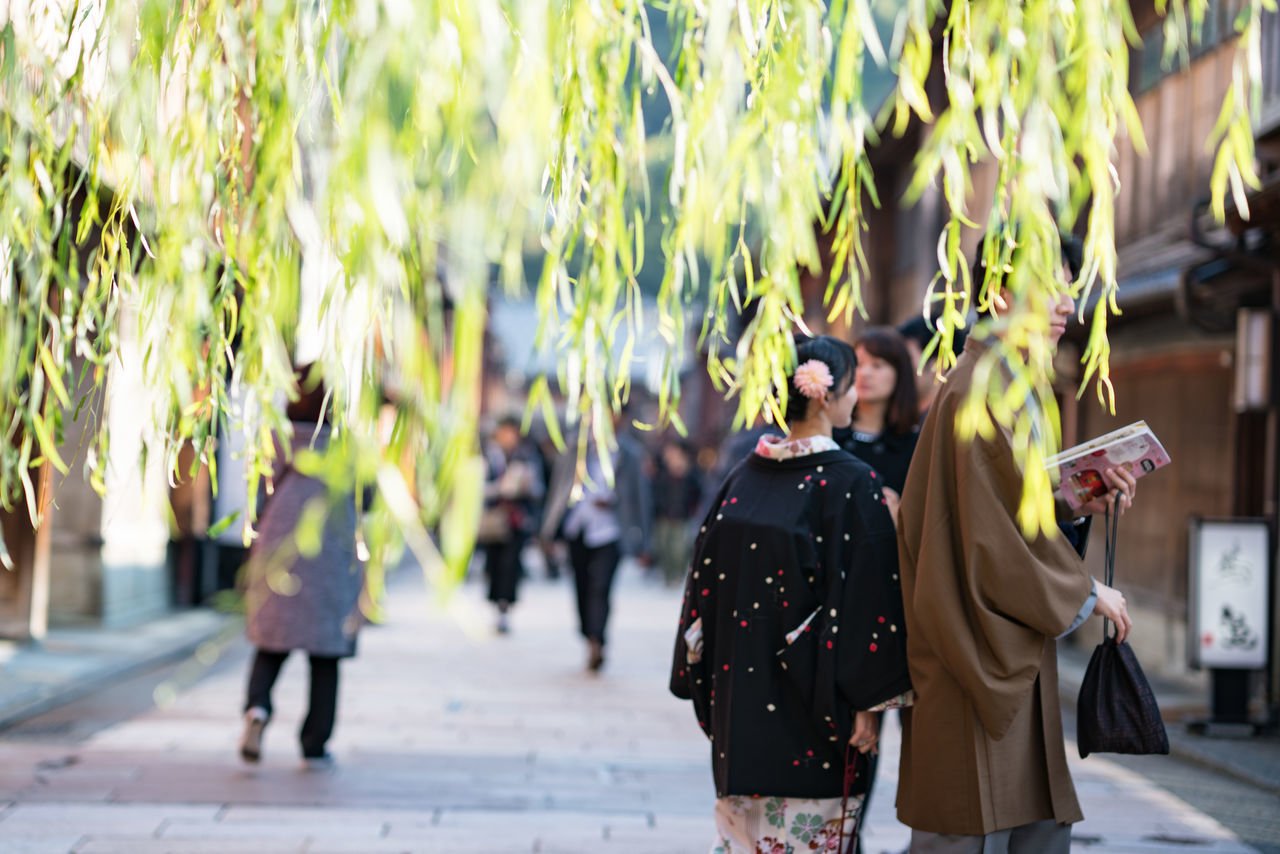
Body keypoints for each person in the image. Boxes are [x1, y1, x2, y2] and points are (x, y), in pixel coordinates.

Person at [895, 233, 1137, 853]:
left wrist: (1077, 497)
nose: (1065, 306)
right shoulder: (983, 387)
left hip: (996, 637)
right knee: (965, 827)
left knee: (1017, 818)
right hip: (972, 640)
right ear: (1001, 292)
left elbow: (1009, 509)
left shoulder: (1006, 380)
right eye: (1050, 287)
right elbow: (988, 531)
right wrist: (1084, 590)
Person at [669, 335, 913, 854]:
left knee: (745, 841)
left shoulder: (741, 479)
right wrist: (869, 704)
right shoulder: (853, 483)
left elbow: (701, 591)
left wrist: (704, 684)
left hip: (741, 710)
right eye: (849, 386)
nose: (854, 398)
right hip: (818, 713)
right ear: (826, 395)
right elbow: (870, 602)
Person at [238, 367, 366, 769]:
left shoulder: (276, 436)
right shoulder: (349, 445)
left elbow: (259, 492)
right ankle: (314, 742)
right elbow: (370, 498)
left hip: (282, 549)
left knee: (271, 643)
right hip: (331, 552)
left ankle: (257, 708)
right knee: (325, 656)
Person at [541, 409, 653, 672]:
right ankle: (587, 633)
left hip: (611, 531)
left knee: (601, 587)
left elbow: (641, 499)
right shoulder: (575, 447)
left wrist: (645, 542)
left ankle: (597, 641)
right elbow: (557, 489)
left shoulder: (630, 454)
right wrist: (547, 531)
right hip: (577, 527)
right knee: (581, 585)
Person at [479, 415, 545, 633]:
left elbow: (538, 488)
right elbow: (477, 487)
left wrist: (525, 484)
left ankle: (504, 608)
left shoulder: (527, 456)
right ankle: (495, 605)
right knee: (494, 564)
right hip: (493, 519)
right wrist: (501, 487)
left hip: (517, 520)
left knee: (510, 566)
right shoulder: (488, 455)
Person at [837, 326, 920, 496]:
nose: (864, 373)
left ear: (899, 373)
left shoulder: (912, 445)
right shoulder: (831, 435)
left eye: (877, 365)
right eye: (858, 364)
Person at [652, 439, 703, 586]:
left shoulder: (690, 473)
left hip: (682, 516)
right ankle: (667, 576)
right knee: (664, 548)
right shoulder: (662, 472)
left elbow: (696, 492)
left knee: (679, 549)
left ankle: (678, 576)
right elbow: (656, 492)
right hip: (663, 516)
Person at [898, 312, 967, 419]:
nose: (899, 367)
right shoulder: (901, 420)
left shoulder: (957, 420)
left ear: (938, 365)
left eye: (907, 359)